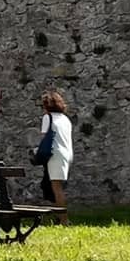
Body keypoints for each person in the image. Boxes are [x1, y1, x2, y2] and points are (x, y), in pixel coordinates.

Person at [35, 89, 75, 222]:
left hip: (55, 155)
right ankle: (59, 217)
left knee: (56, 188)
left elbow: (44, 137)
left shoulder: (48, 117)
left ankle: (64, 219)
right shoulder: (65, 119)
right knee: (55, 186)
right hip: (66, 153)